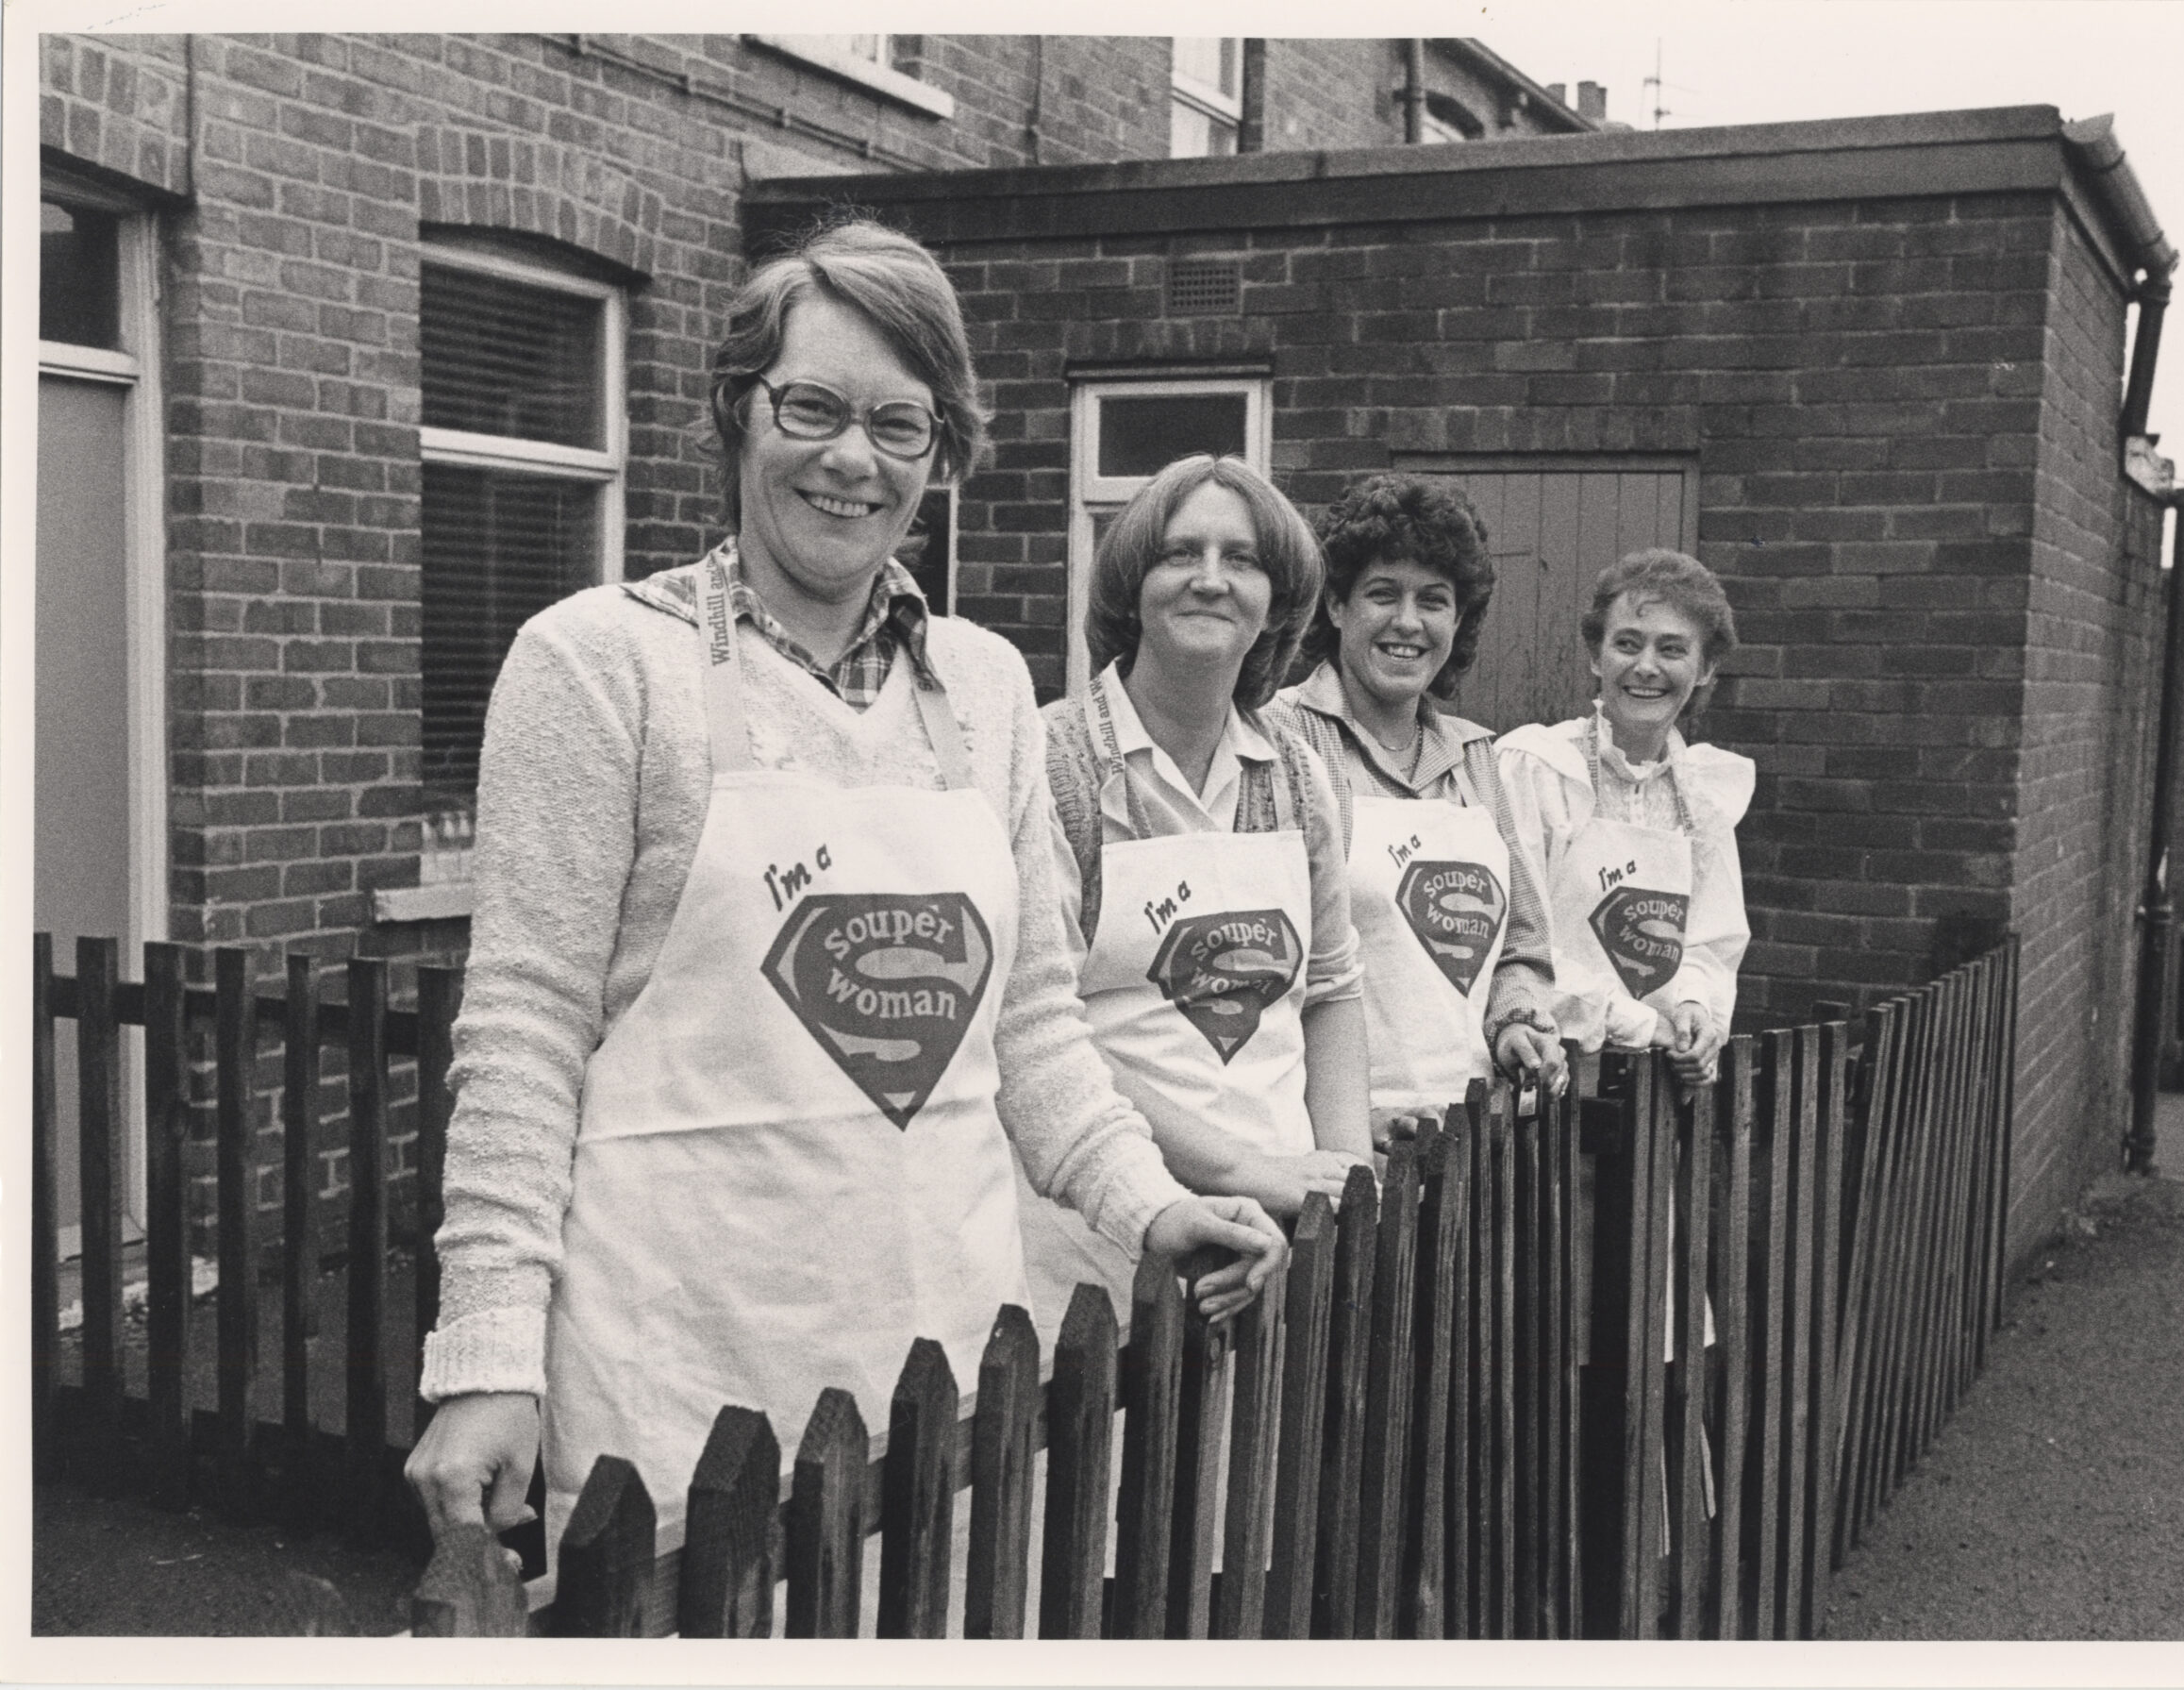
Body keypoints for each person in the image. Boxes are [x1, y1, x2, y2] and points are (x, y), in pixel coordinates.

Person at [403, 218, 1284, 1553]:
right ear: (736, 414)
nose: (851, 458)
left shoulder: (988, 690)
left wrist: (1149, 1205)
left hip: (945, 1357)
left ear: (943, 454)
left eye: (900, 423)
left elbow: (1035, 1029)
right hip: (681, 1374)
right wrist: (487, 1352)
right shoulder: (595, 665)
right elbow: (521, 1034)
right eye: (810, 407)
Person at [1019, 454, 1375, 1340]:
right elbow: (1034, 1028)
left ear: (1276, 600)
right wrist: (1245, 1170)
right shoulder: (1048, 763)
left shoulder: (1298, 772)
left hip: (1279, 1246)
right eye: (1182, 553)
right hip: (1091, 1250)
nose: (1211, 580)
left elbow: (1332, 991)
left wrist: (1339, 1180)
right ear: (1132, 585)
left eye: (1243, 559)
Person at [1264, 472, 1565, 1137]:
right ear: (1336, 606)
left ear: (1458, 620)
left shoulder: (1479, 759)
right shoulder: (1281, 742)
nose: (1408, 622)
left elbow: (1523, 948)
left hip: (1472, 1146)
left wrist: (1517, 1019)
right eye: (1382, 594)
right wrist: (1342, 1119)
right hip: (1338, 1149)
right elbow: (1265, 971)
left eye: (1434, 600)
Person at [1495, 548, 1756, 1089]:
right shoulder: (1539, 768)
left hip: (1658, 1085)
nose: (1646, 667)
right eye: (1627, 644)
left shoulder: (1705, 795)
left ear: (1705, 668)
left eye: (1672, 649)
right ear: (1597, 657)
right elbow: (1519, 943)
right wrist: (1642, 1024)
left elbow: (1713, 940)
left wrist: (1695, 1010)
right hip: (1547, 1071)